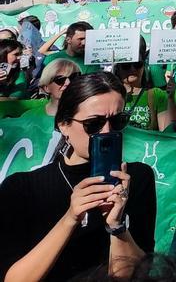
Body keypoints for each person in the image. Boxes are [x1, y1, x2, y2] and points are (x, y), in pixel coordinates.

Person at [0, 72, 156, 281]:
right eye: (93, 124)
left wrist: (117, 227)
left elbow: (137, 276)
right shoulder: (22, 188)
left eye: (117, 121)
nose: (106, 131)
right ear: (64, 125)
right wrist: (70, 218)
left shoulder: (137, 177)